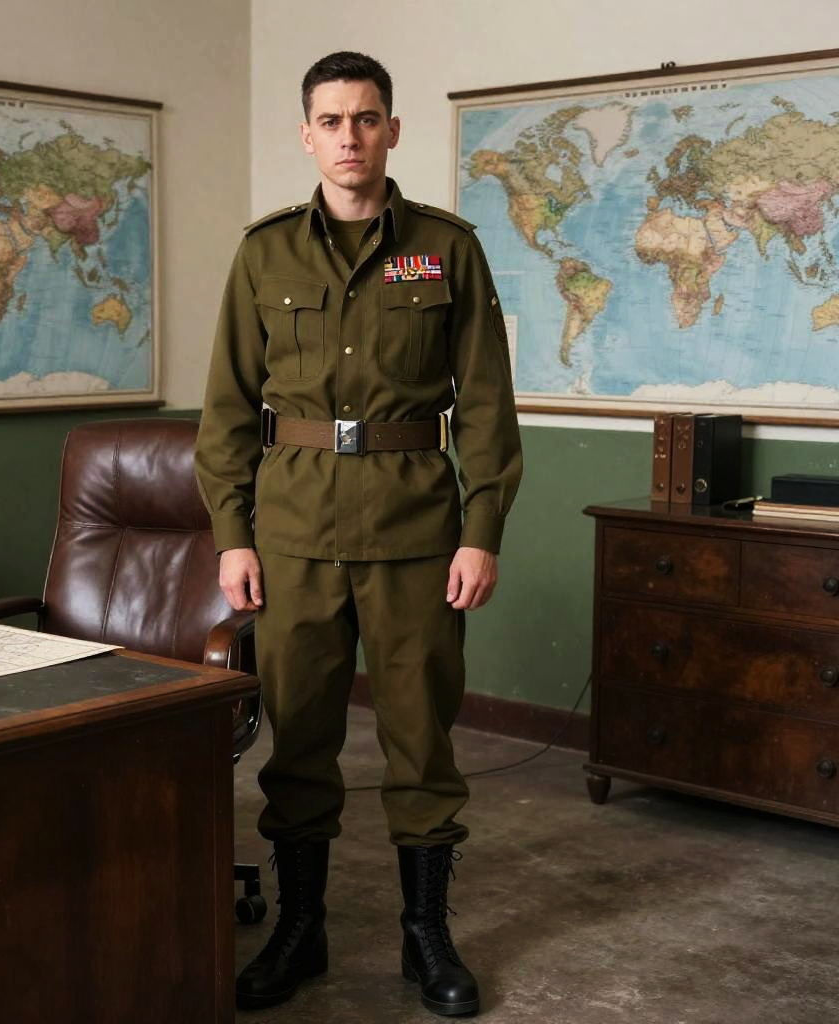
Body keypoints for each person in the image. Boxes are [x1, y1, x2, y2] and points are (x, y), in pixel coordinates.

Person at [195, 51, 522, 1018]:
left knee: (422, 742)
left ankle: (427, 937)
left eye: (366, 118)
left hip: (419, 530)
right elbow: (225, 412)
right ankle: (302, 930)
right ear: (307, 134)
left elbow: (490, 409)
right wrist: (232, 534)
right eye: (331, 120)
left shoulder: (445, 249)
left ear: (391, 130)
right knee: (298, 741)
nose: (349, 136)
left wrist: (482, 529)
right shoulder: (263, 254)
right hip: (293, 533)